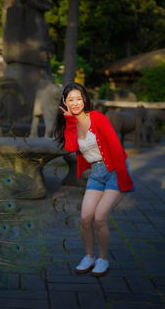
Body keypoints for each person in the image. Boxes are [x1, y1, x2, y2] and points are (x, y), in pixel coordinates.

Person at [53, 82, 135, 277]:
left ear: (85, 100)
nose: (75, 103)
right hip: (97, 174)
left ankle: (102, 259)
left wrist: (124, 178)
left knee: (99, 217)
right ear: (64, 102)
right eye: (70, 99)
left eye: (78, 99)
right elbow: (72, 147)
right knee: (85, 218)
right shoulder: (70, 123)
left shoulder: (97, 118)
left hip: (115, 170)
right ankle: (89, 256)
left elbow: (116, 148)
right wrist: (71, 122)